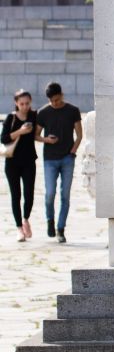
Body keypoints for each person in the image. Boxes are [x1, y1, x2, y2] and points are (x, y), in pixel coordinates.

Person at [34, 82, 82, 242]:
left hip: (67, 158)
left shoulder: (73, 110)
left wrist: (73, 151)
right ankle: (50, 220)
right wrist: (46, 139)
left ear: (61, 95)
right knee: (50, 194)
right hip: (50, 159)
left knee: (65, 195)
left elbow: (79, 135)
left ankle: (61, 229)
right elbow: (36, 135)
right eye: (51, 100)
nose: (54, 103)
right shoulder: (43, 112)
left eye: (57, 99)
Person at [3, 90, 38, 241]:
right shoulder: (11, 118)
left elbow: (38, 133)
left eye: (27, 103)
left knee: (29, 194)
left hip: (29, 161)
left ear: (31, 102)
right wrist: (20, 131)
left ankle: (26, 219)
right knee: (15, 195)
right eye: (21, 104)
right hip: (12, 163)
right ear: (16, 103)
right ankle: (19, 228)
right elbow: (4, 138)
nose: (24, 106)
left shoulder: (34, 116)